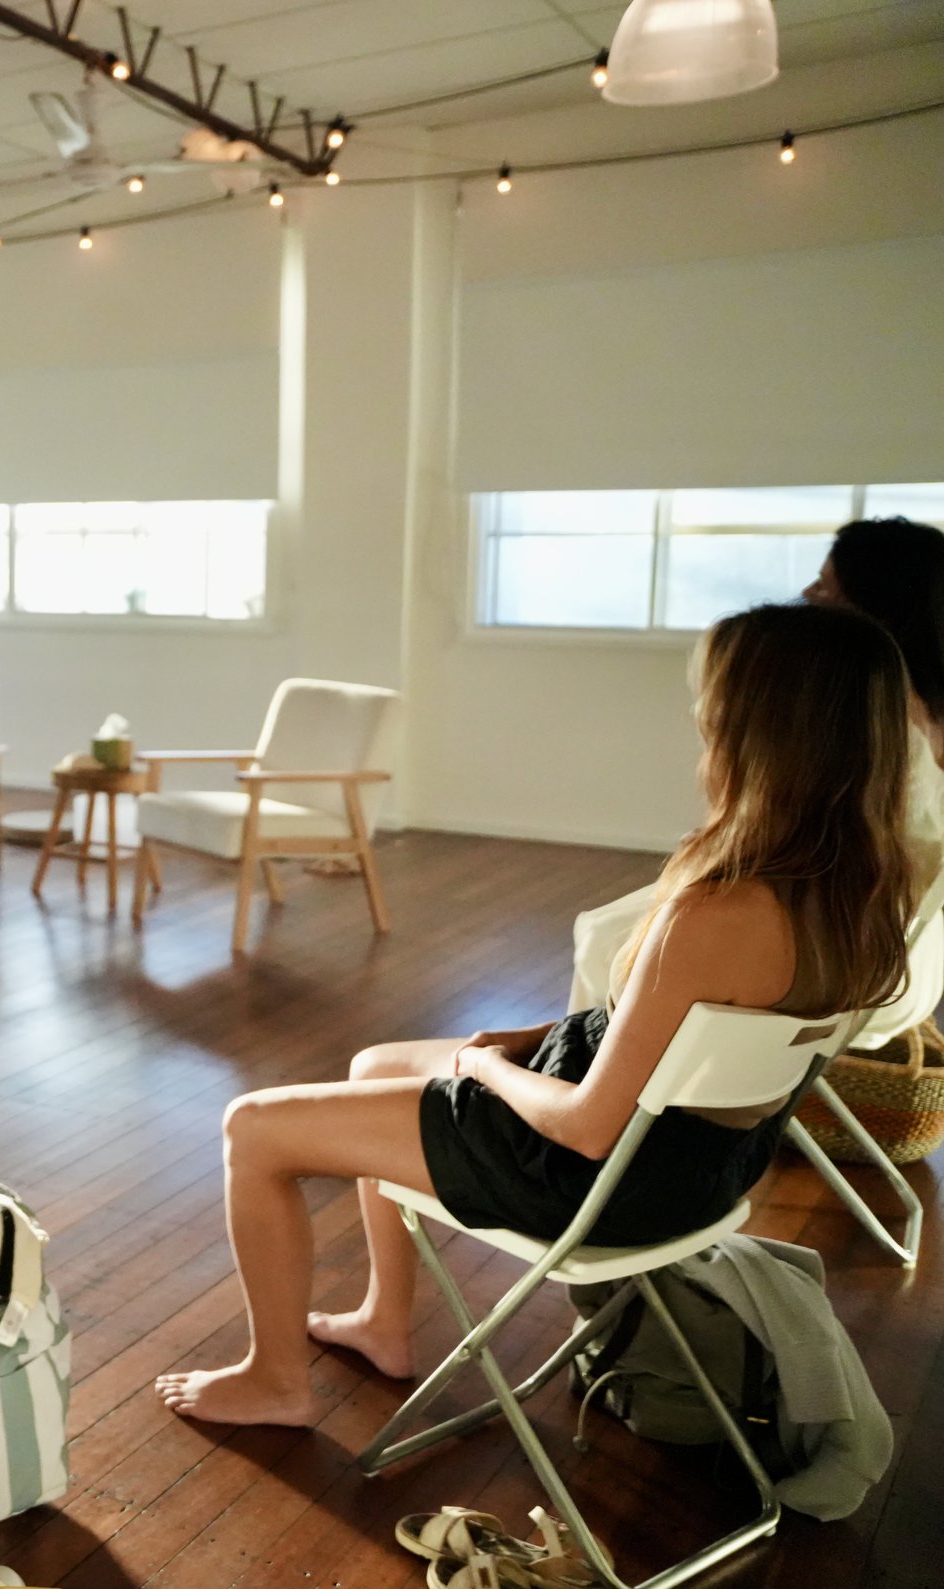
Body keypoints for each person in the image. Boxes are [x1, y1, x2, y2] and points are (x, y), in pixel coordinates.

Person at [156, 603, 915, 1427]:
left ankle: (274, 1380)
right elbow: (673, 1040)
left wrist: (488, 1067)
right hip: (704, 1167)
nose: (702, 711)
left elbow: (587, 1127)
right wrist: (533, 1039)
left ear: (757, 728)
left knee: (252, 1128)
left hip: (595, 1176)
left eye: (715, 699)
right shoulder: (866, 898)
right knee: (376, 1065)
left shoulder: (722, 911)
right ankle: (382, 1320)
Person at [570, 517, 944, 1028]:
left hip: (842, 949)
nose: (808, 594)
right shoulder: (907, 713)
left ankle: (591, 1058)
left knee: (605, 937)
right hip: (890, 949)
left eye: (826, 585)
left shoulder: (874, 726)